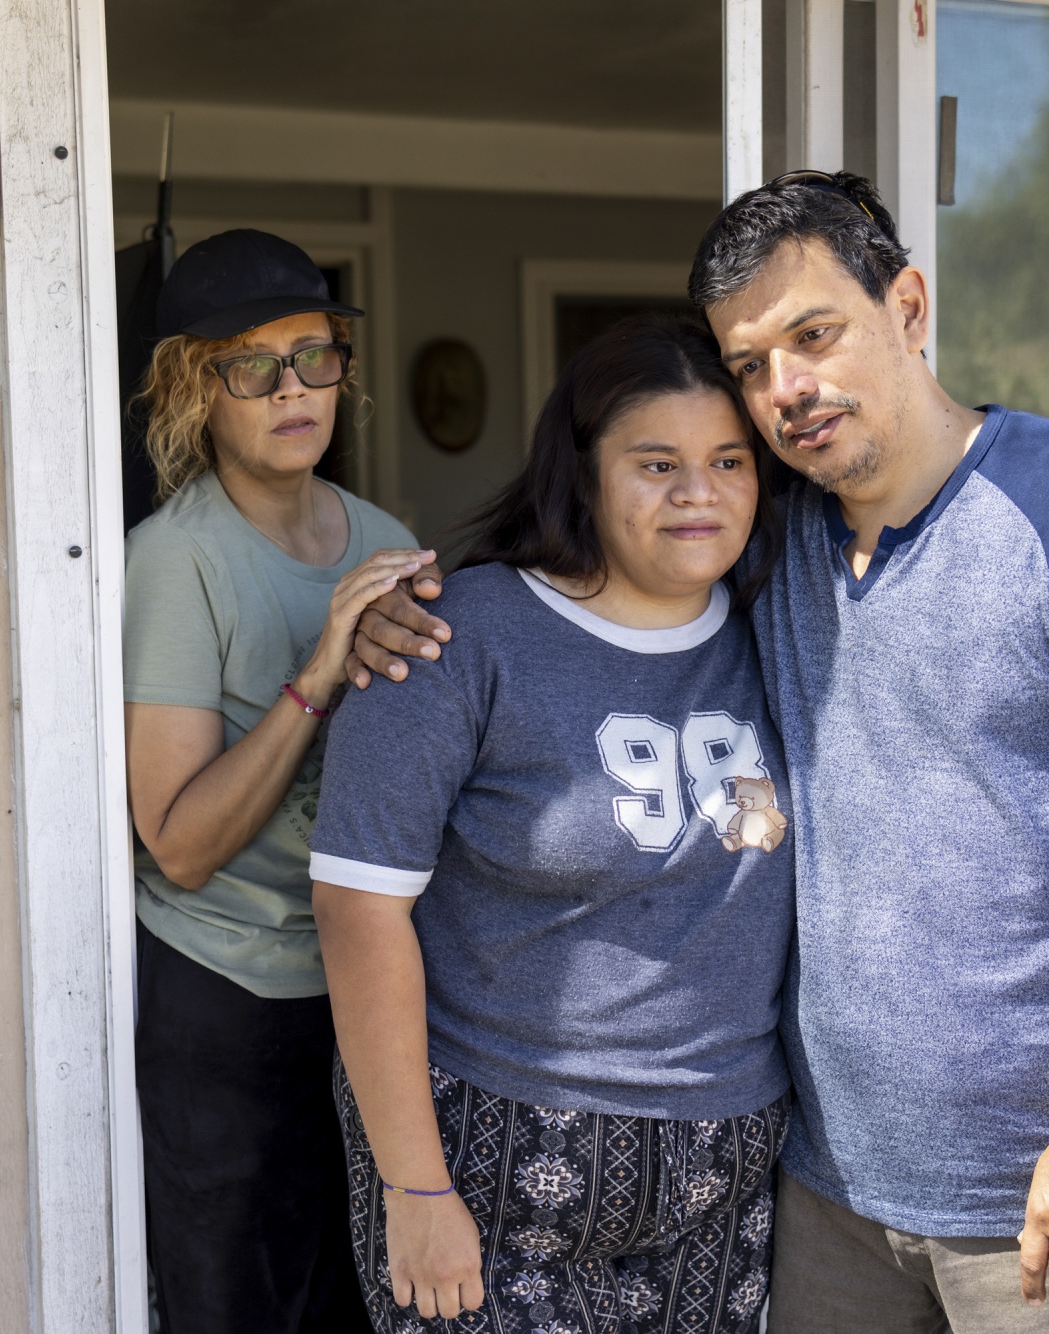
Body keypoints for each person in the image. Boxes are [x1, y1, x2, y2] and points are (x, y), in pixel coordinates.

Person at [351, 174, 1049, 1333]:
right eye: (748, 363)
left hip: (1043, 1199)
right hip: (827, 1199)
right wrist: (396, 617)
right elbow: (605, 574)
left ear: (909, 306)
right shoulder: (768, 537)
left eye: (813, 334)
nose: (785, 390)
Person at [309, 314, 795, 1332]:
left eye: (726, 460)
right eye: (654, 462)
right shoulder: (456, 636)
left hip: (724, 1183)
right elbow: (357, 911)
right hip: (490, 1178)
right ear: (581, 472)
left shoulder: (780, 628)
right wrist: (414, 1187)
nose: (696, 491)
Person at [123, 228, 434, 1333]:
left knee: (359, 1302)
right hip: (225, 998)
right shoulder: (175, 560)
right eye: (251, 366)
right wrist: (319, 668)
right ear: (193, 389)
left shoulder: (387, 538)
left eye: (313, 355)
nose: (291, 388)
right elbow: (177, 842)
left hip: (364, 991)